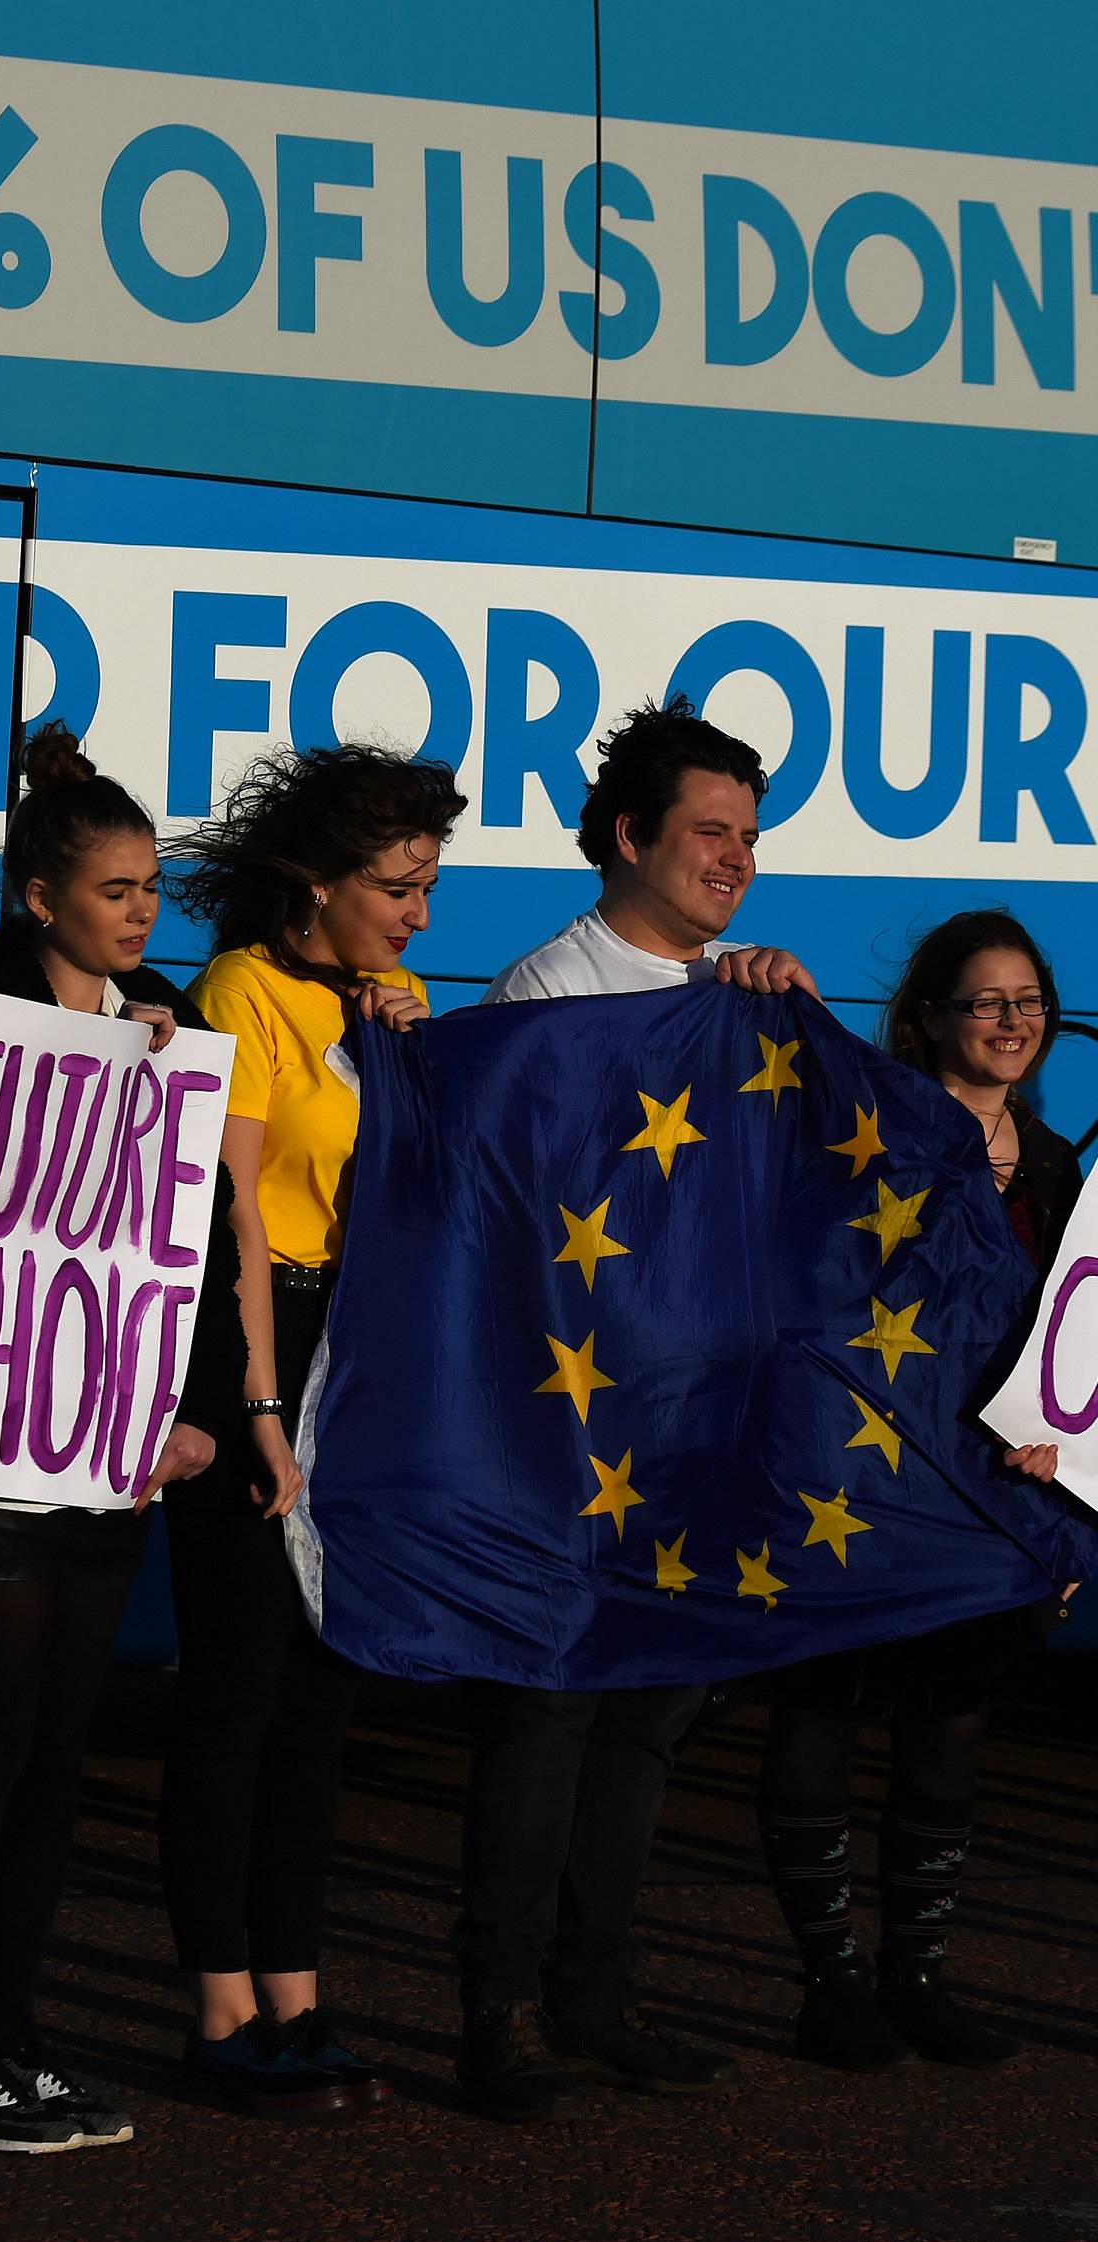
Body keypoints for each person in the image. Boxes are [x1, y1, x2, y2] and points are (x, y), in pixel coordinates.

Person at [0, 724, 247, 2153]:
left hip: (109, 1447)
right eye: (115, 889)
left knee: (55, 1751)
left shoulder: (159, 1025)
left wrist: (197, 1414)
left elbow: (202, 1243)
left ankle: (17, 2041)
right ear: (39, 896)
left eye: (152, 888)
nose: (141, 913)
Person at [460, 695, 813, 2123]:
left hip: (700, 1422)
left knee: (648, 1722)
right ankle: (494, 2018)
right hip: (568, 1428)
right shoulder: (547, 992)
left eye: (748, 835)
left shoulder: (745, 994)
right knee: (544, 1721)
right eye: (709, 832)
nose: (735, 859)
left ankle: (596, 1995)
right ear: (628, 836)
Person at [158, 743, 466, 2114]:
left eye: (427, 885)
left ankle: (298, 1992)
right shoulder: (239, 990)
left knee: (318, 1703)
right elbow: (231, 1218)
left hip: (347, 1353)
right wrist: (262, 1408)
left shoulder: (365, 1006)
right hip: (249, 1347)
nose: (416, 911)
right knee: (234, 1696)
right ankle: (220, 2012)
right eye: (396, 886)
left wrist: (404, 1048)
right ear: (317, 881)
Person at [757, 909, 1078, 2073]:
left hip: (985, 1498)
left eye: (1028, 1003)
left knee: (949, 1731)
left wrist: (1062, 1457)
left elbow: (1065, 1345)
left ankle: (919, 1977)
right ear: (930, 1016)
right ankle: (830, 1985)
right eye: (986, 1002)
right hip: (855, 1478)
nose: (1011, 1024)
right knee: (823, 1718)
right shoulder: (873, 1129)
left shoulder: (1052, 1163)